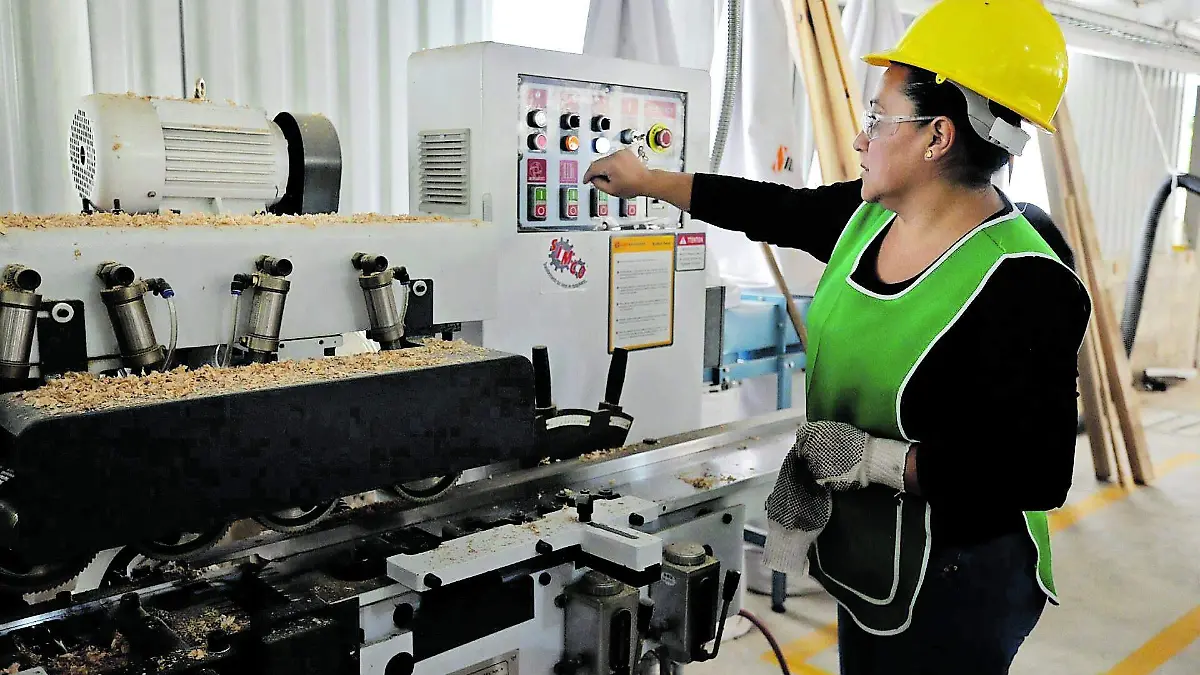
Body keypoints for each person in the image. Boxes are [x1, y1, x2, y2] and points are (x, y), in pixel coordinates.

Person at [583, 0, 1091, 672]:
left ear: (938, 137)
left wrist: (876, 461)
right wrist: (650, 182)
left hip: (960, 578)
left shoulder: (1024, 281)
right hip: (872, 557)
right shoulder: (871, 218)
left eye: (878, 119)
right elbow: (775, 208)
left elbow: (1034, 472)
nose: (859, 138)